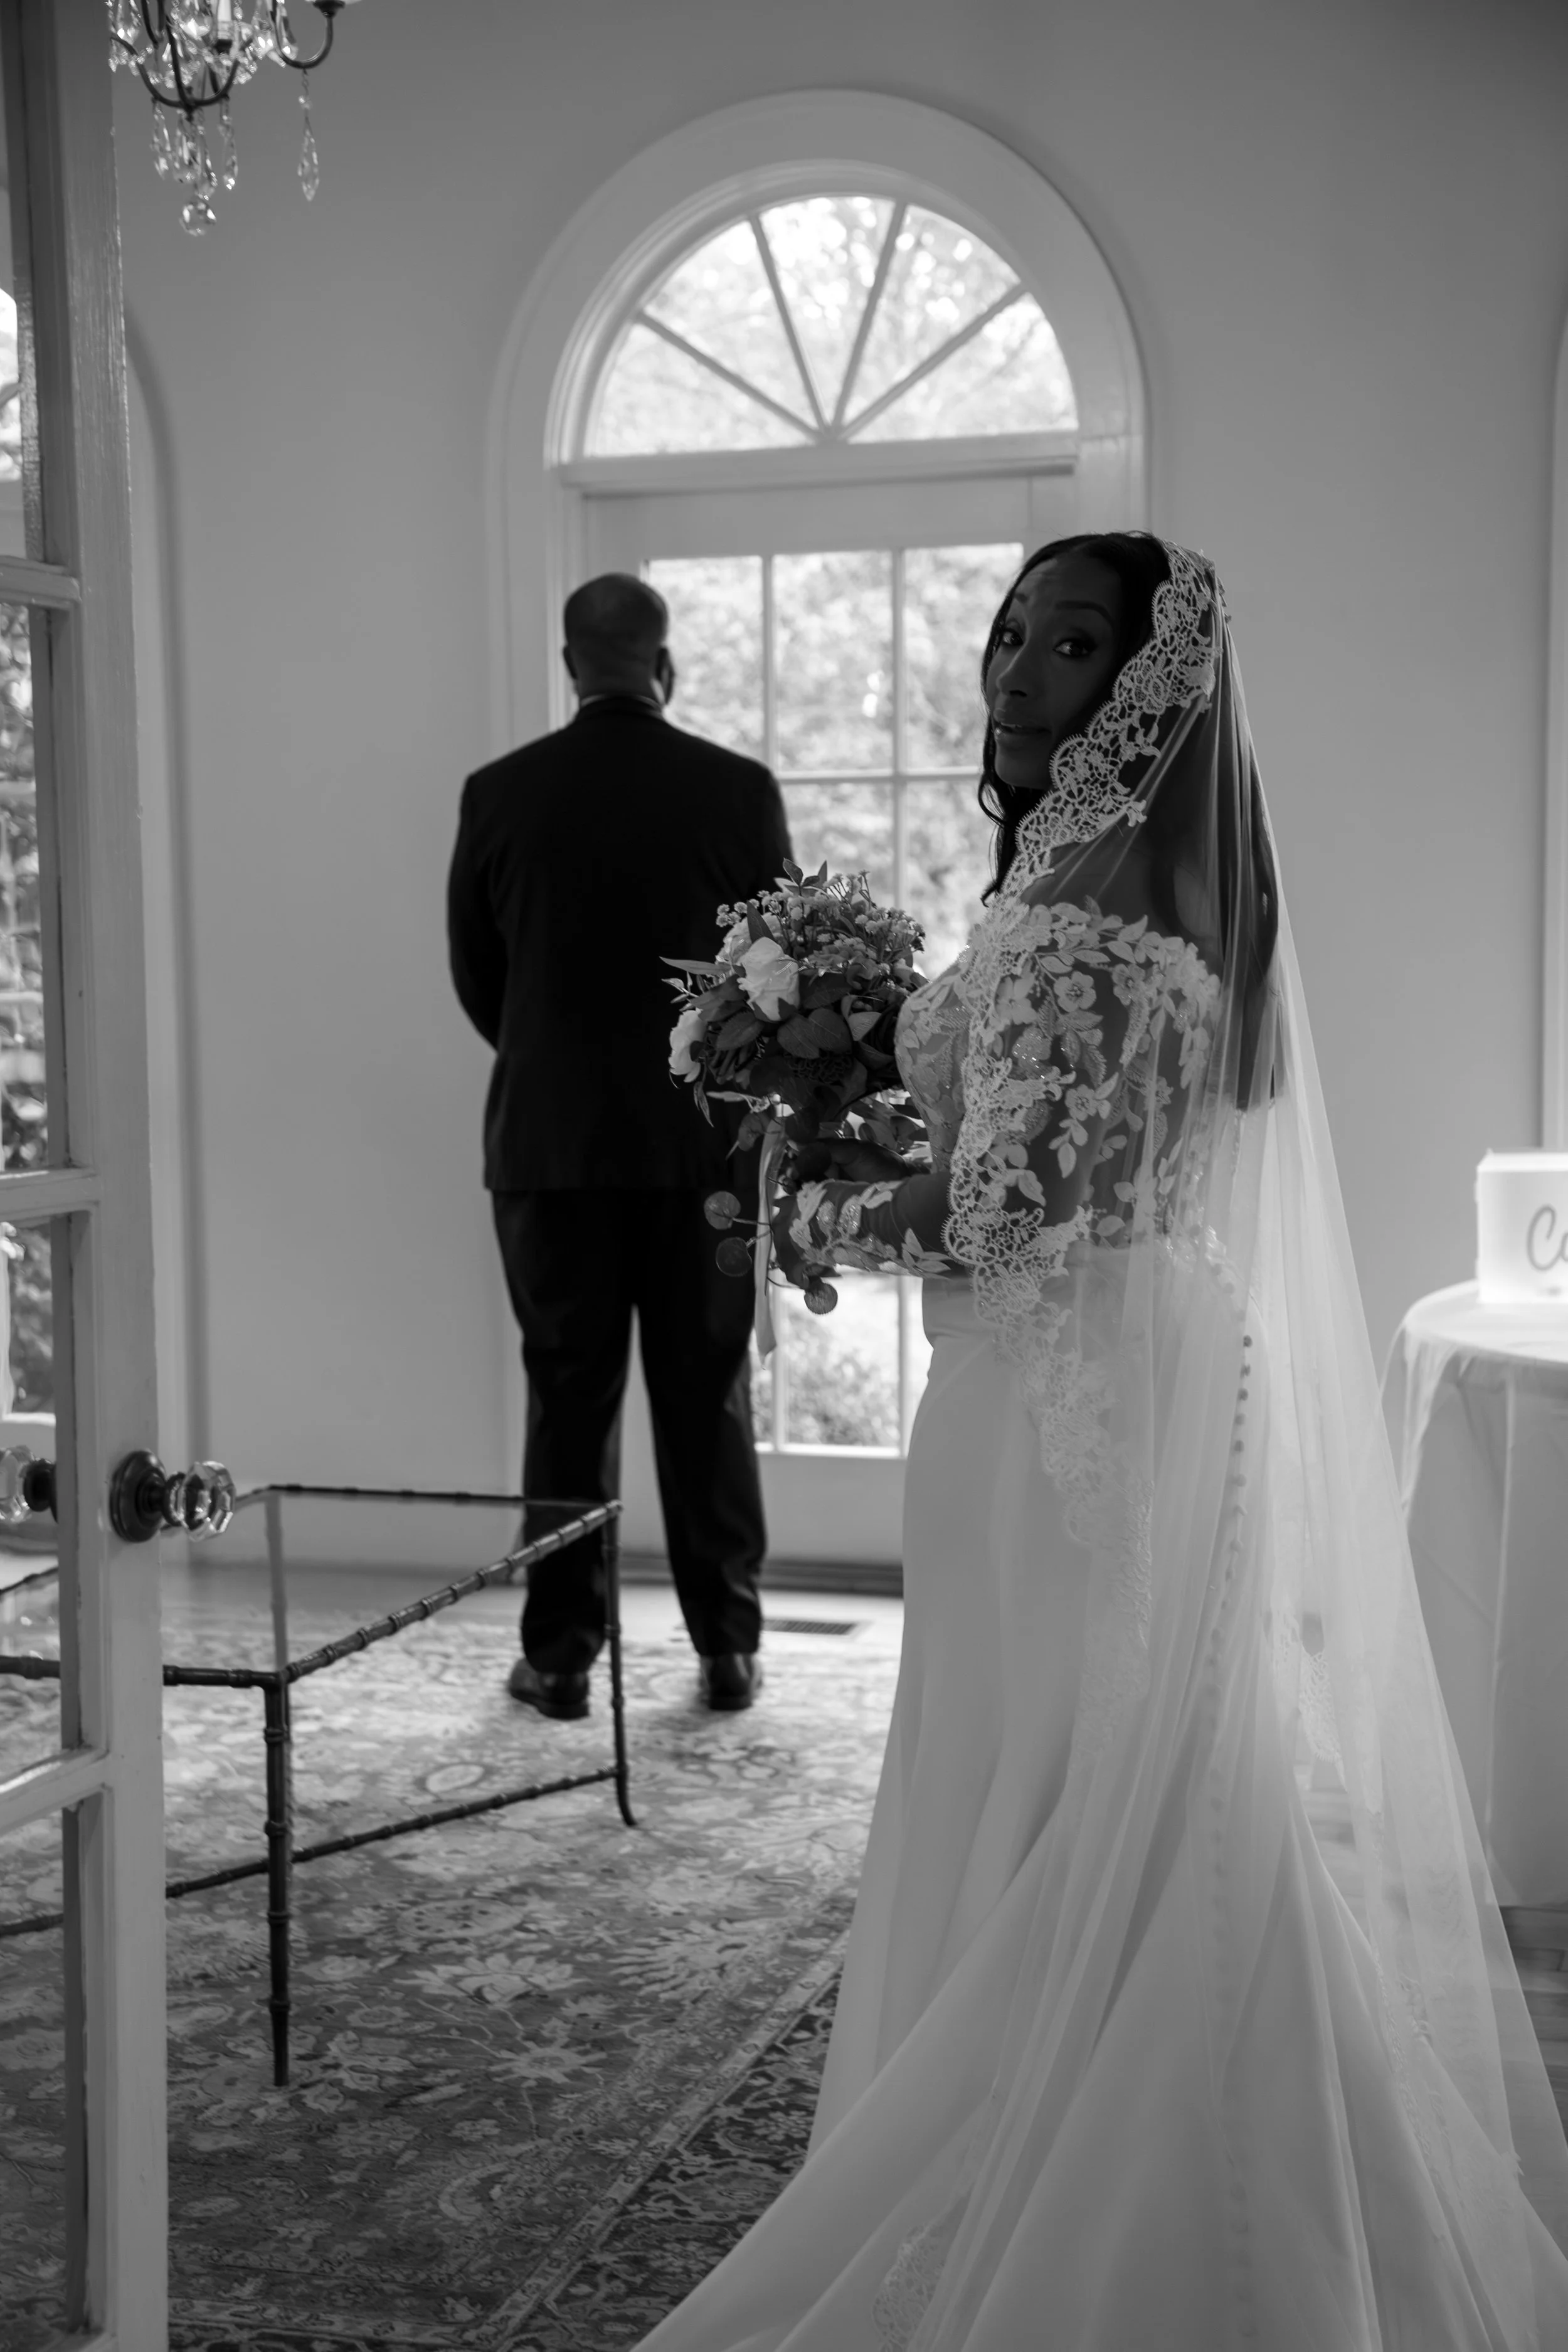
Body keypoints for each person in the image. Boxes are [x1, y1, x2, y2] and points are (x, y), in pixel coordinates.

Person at [633, 536, 1568, 2348]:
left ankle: (1081, 2186)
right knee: (1147, 1774)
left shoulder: (1070, 911)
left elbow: (999, 1213)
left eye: (1072, 642)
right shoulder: (1168, 886)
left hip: (1059, 1385)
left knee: (1063, 1773)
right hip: (1141, 1351)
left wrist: (807, 1219)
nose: (1015, 669)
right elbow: (1086, 1161)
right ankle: (1250, 2163)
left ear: (1147, 683)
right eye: (1010, 629)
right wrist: (880, 1139)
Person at [447, 573, 790, 1719]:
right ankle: (727, 1645)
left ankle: (560, 1657)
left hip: (549, 1148)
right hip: (702, 1149)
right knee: (707, 1396)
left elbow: (479, 979)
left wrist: (556, 1059)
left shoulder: (498, 793)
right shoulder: (738, 792)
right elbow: (773, 976)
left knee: (568, 1398)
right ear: (666, 664)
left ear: (568, 664)